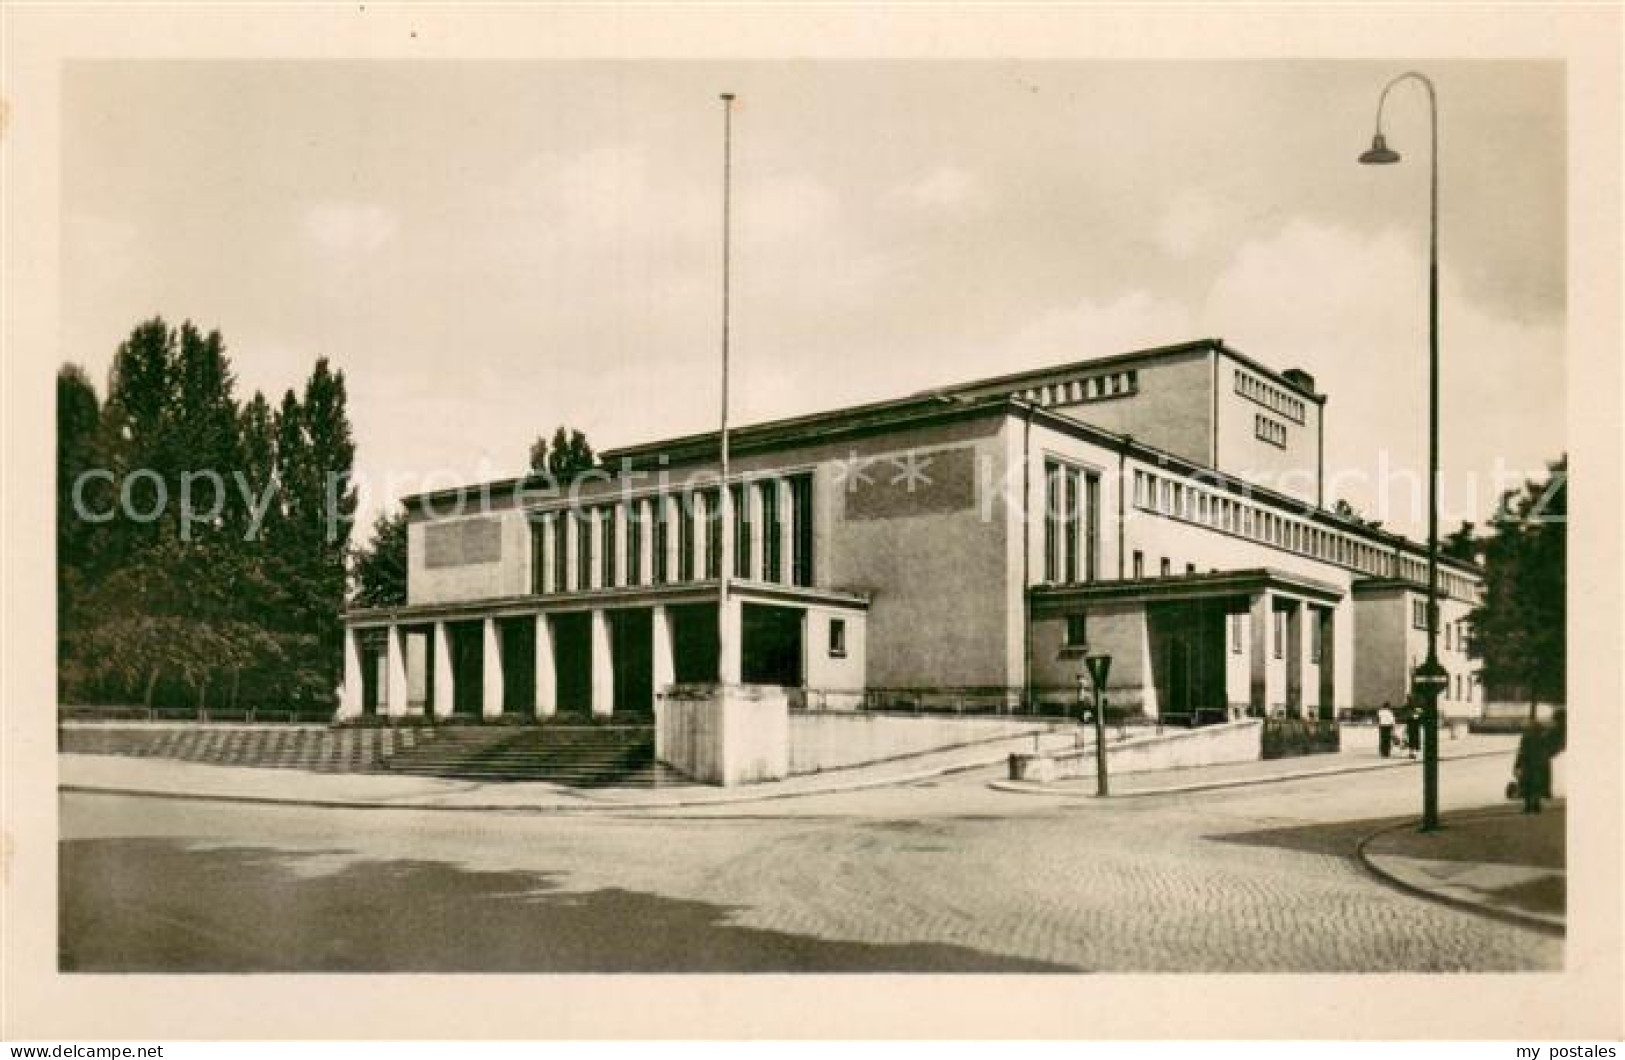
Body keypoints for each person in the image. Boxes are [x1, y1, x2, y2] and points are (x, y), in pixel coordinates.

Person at [1514, 720, 1552, 814]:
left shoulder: (1526, 737)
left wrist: (1517, 764)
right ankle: (1536, 806)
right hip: (1541, 765)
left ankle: (1528, 807)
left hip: (1528, 765)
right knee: (1537, 785)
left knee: (1527, 785)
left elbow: (1522, 752)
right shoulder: (1544, 737)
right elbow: (1548, 751)